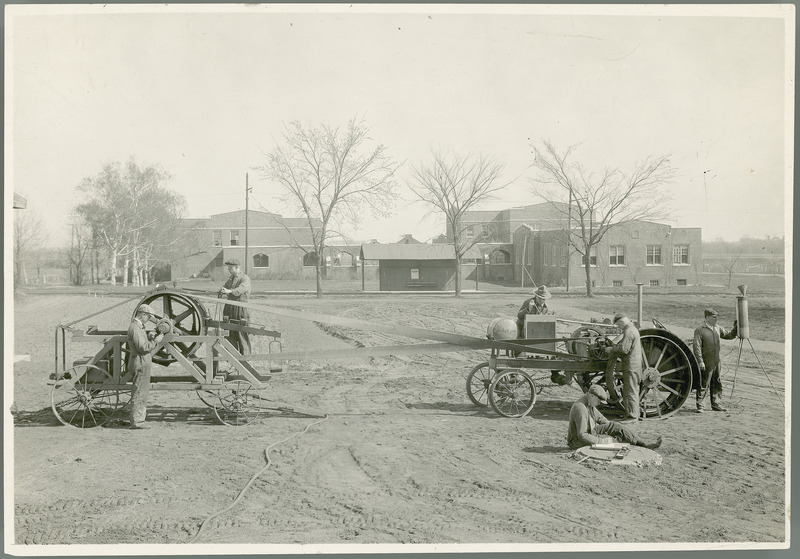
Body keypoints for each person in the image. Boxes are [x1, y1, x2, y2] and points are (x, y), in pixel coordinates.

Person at [567, 385, 662, 451]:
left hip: (590, 431)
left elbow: (602, 419)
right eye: (598, 401)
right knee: (612, 441)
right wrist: (601, 441)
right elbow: (582, 435)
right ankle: (640, 444)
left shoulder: (588, 402)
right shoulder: (580, 408)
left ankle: (642, 443)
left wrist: (613, 429)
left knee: (616, 427)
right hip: (577, 442)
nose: (599, 404)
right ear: (592, 396)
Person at [692, 308, 738, 413]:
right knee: (704, 383)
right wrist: (700, 361)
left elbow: (729, 335)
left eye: (717, 317)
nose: (716, 319)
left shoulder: (717, 328)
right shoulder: (700, 330)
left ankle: (716, 404)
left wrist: (736, 327)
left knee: (716, 383)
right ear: (707, 317)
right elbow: (697, 347)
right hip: (705, 361)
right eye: (714, 317)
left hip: (716, 361)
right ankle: (700, 406)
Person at [127, 304, 164, 430]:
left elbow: (142, 342)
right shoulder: (135, 328)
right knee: (139, 393)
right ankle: (136, 422)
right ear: (142, 314)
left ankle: (139, 420)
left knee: (142, 393)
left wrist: (149, 336)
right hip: (140, 363)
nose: (149, 319)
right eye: (148, 316)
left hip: (142, 362)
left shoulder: (138, 327)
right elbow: (143, 348)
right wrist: (156, 340)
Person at [603, 313, 642, 421]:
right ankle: (631, 414)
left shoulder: (629, 332)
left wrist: (611, 349)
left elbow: (624, 349)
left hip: (631, 366)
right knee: (631, 390)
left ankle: (632, 417)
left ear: (621, 322)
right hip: (634, 365)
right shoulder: (633, 329)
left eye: (618, 325)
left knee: (630, 391)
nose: (619, 328)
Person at [219, 258, 252, 355]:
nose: (229, 269)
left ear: (237, 267)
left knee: (241, 334)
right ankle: (233, 360)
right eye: (228, 267)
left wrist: (229, 291)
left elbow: (240, 290)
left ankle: (245, 360)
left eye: (230, 267)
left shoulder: (245, 278)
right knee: (230, 335)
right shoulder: (230, 279)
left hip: (240, 309)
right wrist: (222, 290)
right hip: (229, 309)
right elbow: (224, 287)